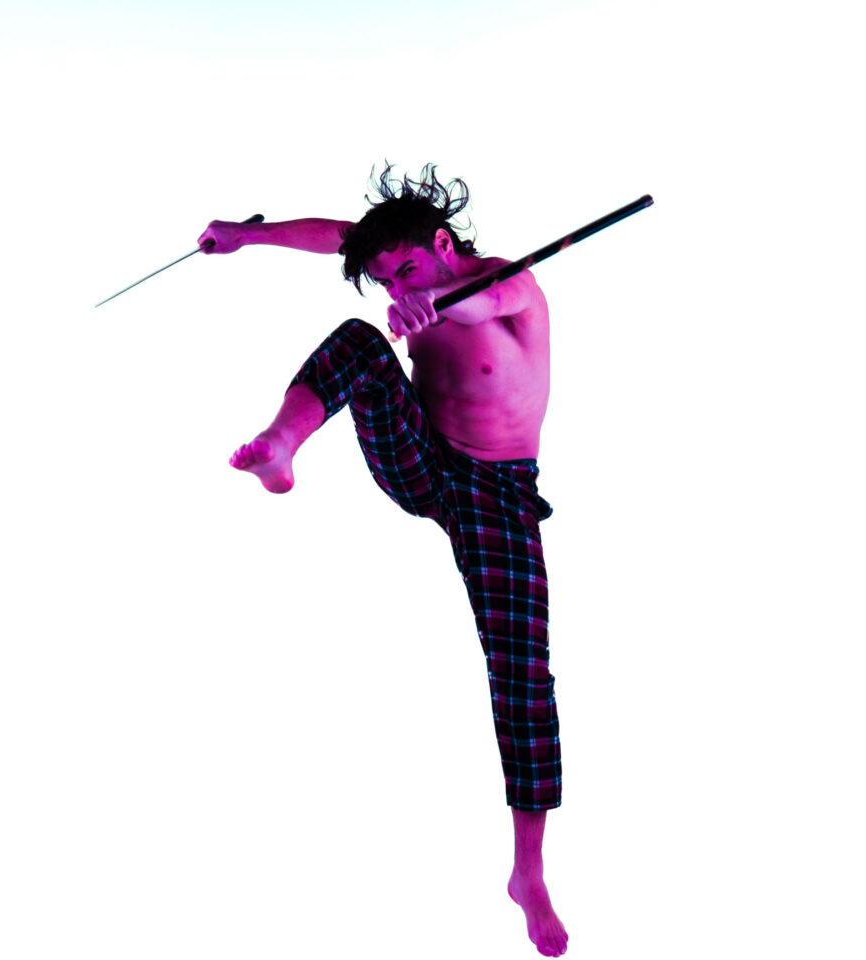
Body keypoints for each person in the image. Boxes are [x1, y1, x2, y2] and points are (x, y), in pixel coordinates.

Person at [199, 164, 568, 958]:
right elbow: (329, 236)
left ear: (442, 246)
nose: (397, 286)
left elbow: (487, 300)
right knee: (362, 342)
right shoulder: (396, 278)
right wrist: (246, 236)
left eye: (407, 270)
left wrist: (442, 300)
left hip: (498, 494)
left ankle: (528, 870)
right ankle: (281, 445)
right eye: (386, 278)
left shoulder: (509, 283)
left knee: (521, 673)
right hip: (423, 461)